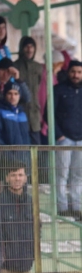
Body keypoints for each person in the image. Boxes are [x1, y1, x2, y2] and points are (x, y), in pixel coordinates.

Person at [52, 60, 82, 220]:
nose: (76, 75)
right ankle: (62, 209)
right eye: (73, 72)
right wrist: (59, 135)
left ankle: (77, 208)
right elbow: (49, 114)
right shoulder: (58, 90)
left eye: (79, 72)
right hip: (65, 140)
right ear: (68, 72)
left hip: (80, 141)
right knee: (61, 175)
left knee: (78, 176)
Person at [14, 36, 44, 144]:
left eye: (32, 46)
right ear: (22, 48)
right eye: (26, 46)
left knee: (37, 146)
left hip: (35, 113)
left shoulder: (38, 67)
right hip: (20, 111)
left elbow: (38, 85)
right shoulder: (15, 66)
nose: (29, 49)